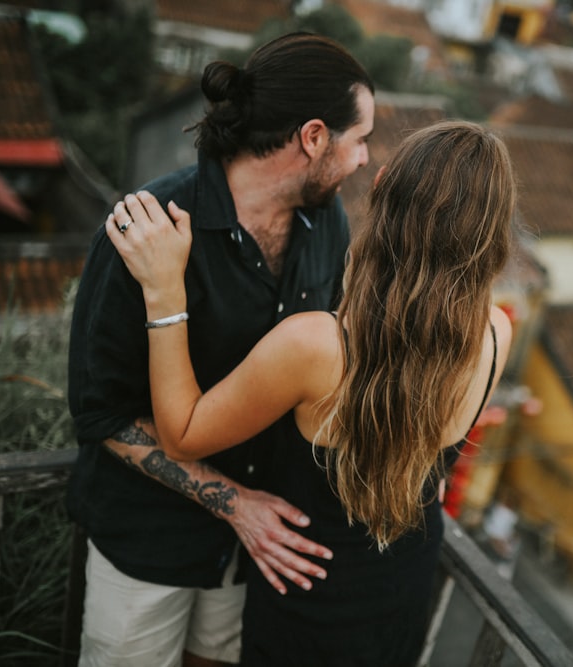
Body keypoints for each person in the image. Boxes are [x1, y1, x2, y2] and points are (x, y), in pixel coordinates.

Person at [107, 120, 515, 666]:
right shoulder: (495, 331)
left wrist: (164, 292)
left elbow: (180, 434)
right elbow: (425, 453)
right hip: (404, 583)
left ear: (384, 192)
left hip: (311, 590)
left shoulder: (318, 345)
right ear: (492, 232)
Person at [66, 33, 375, 666]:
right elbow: (101, 415)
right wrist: (235, 505)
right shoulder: (144, 231)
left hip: (261, 547)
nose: (366, 158)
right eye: (359, 138)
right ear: (313, 137)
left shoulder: (330, 222)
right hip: (148, 545)